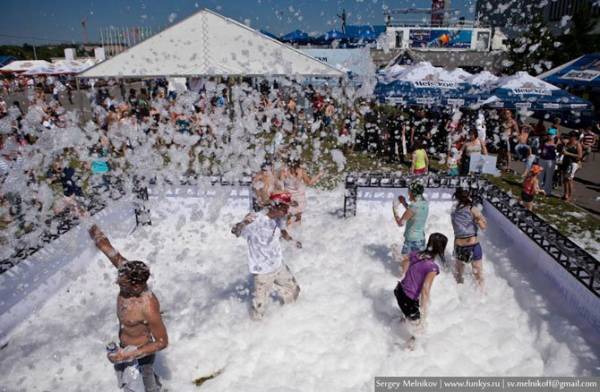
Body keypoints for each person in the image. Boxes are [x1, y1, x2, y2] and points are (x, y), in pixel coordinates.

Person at [88, 225, 168, 392]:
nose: (117, 283)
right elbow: (104, 245)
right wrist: (77, 209)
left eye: (122, 284)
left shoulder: (148, 306)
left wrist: (131, 354)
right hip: (123, 347)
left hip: (142, 354)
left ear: (137, 286)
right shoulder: (126, 271)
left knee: (147, 388)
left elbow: (162, 342)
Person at [232, 192, 302, 320]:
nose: (287, 211)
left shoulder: (278, 219)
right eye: (285, 208)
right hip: (262, 272)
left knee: (295, 291)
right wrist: (242, 224)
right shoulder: (255, 219)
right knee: (259, 311)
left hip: (278, 265)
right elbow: (235, 231)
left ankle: (290, 320)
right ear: (275, 206)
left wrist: (293, 241)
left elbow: (282, 231)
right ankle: (253, 333)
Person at [394, 233, 448, 343]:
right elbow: (425, 290)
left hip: (399, 290)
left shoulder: (416, 254)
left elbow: (403, 261)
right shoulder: (432, 268)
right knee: (419, 331)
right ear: (441, 250)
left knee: (407, 317)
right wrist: (423, 312)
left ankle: (397, 328)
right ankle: (409, 351)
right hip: (408, 299)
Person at [451, 188, 487, 289]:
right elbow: (483, 226)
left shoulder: (458, 211)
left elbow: (483, 226)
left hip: (463, 246)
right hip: (470, 246)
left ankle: (462, 295)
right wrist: (478, 221)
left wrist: (478, 221)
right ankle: (481, 295)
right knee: (477, 275)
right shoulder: (463, 210)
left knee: (459, 275)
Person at [278, 159, 324, 226]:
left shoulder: (284, 171)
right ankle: (298, 234)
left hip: (289, 199)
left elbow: (279, 183)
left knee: (289, 218)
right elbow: (310, 182)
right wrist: (319, 175)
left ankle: (288, 234)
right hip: (300, 199)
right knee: (298, 218)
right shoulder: (301, 170)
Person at [393, 182, 429, 256]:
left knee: (405, 264)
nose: (408, 192)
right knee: (418, 264)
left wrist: (394, 208)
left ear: (413, 193)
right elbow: (413, 212)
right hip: (421, 239)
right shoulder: (424, 203)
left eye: (409, 191)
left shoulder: (413, 207)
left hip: (411, 241)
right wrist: (404, 202)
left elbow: (400, 223)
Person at [559, 131, 583, 202]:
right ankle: (565, 194)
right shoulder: (568, 143)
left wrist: (568, 153)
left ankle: (570, 196)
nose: (569, 137)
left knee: (569, 180)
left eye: (571, 136)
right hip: (565, 162)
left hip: (573, 163)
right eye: (569, 136)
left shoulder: (577, 144)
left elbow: (580, 155)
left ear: (575, 137)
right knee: (565, 180)